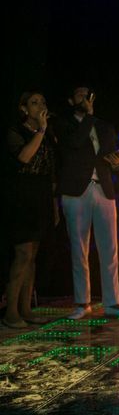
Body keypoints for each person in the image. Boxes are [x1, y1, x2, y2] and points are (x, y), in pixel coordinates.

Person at [56, 84, 119, 320]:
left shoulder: (104, 126)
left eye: (87, 94)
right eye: (79, 94)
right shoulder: (64, 124)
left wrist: (116, 163)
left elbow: (110, 158)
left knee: (109, 248)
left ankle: (113, 303)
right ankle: (83, 303)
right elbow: (75, 144)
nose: (84, 97)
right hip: (76, 191)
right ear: (71, 101)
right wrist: (88, 117)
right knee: (79, 249)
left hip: (103, 189)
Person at [2, 92, 57, 328]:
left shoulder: (48, 134)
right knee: (22, 254)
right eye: (34, 103)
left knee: (33, 256)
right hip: (21, 196)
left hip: (41, 196)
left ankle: (26, 309)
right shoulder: (16, 131)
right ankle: (10, 312)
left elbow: (51, 170)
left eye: (43, 102)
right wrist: (41, 131)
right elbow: (24, 157)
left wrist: (54, 205)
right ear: (23, 109)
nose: (40, 106)